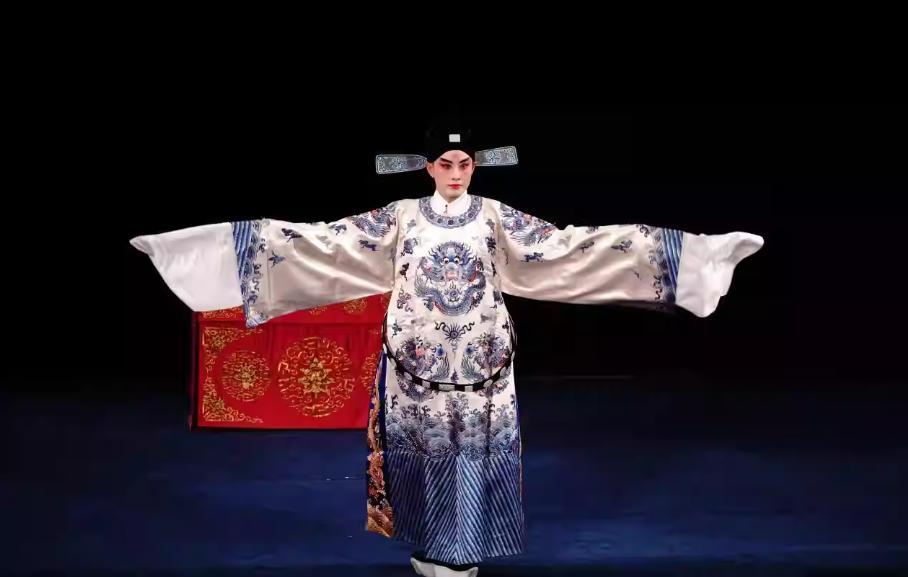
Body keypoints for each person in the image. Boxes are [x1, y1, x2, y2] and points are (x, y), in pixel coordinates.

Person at [131, 120, 764, 577]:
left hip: (482, 366)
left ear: (475, 166)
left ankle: (462, 556)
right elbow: (321, 244)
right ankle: (428, 551)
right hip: (416, 367)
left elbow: (573, 249)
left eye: (465, 164)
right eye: (445, 164)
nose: (456, 174)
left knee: (471, 459)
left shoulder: (495, 216)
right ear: (428, 166)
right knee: (424, 456)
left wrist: (691, 256)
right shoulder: (401, 216)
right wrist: (203, 249)